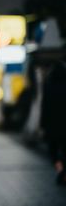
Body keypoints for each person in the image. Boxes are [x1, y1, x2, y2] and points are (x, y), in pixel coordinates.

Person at [40, 57, 66, 186]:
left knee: (53, 152)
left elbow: (44, 107)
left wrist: (42, 125)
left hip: (52, 126)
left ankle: (60, 169)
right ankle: (63, 171)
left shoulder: (48, 85)